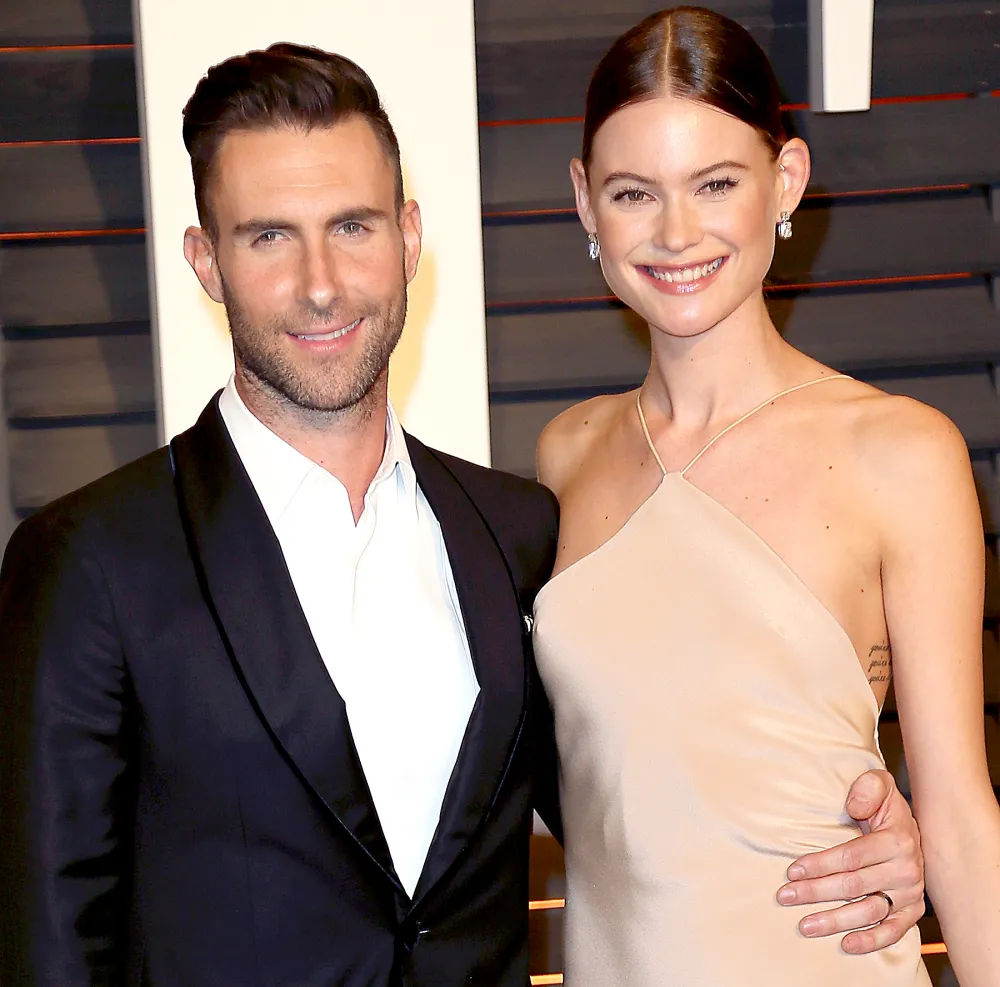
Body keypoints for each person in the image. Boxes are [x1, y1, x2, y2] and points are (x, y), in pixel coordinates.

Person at [0, 42, 924, 987]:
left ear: (408, 237)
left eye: (353, 226)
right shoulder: (91, 560)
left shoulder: (514, 527)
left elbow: (629, 784)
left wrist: (872, 829)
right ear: (206, 260)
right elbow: (51, 941)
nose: (321, 283)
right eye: (269, 236)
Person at [533, 7, 1000, 987]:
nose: (675, 232)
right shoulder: (565, 455)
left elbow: (958, 819)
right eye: (632, 192)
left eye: (715, 184)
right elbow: (587, 777)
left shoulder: (900, 452)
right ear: (584, 203)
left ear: (784, 181)